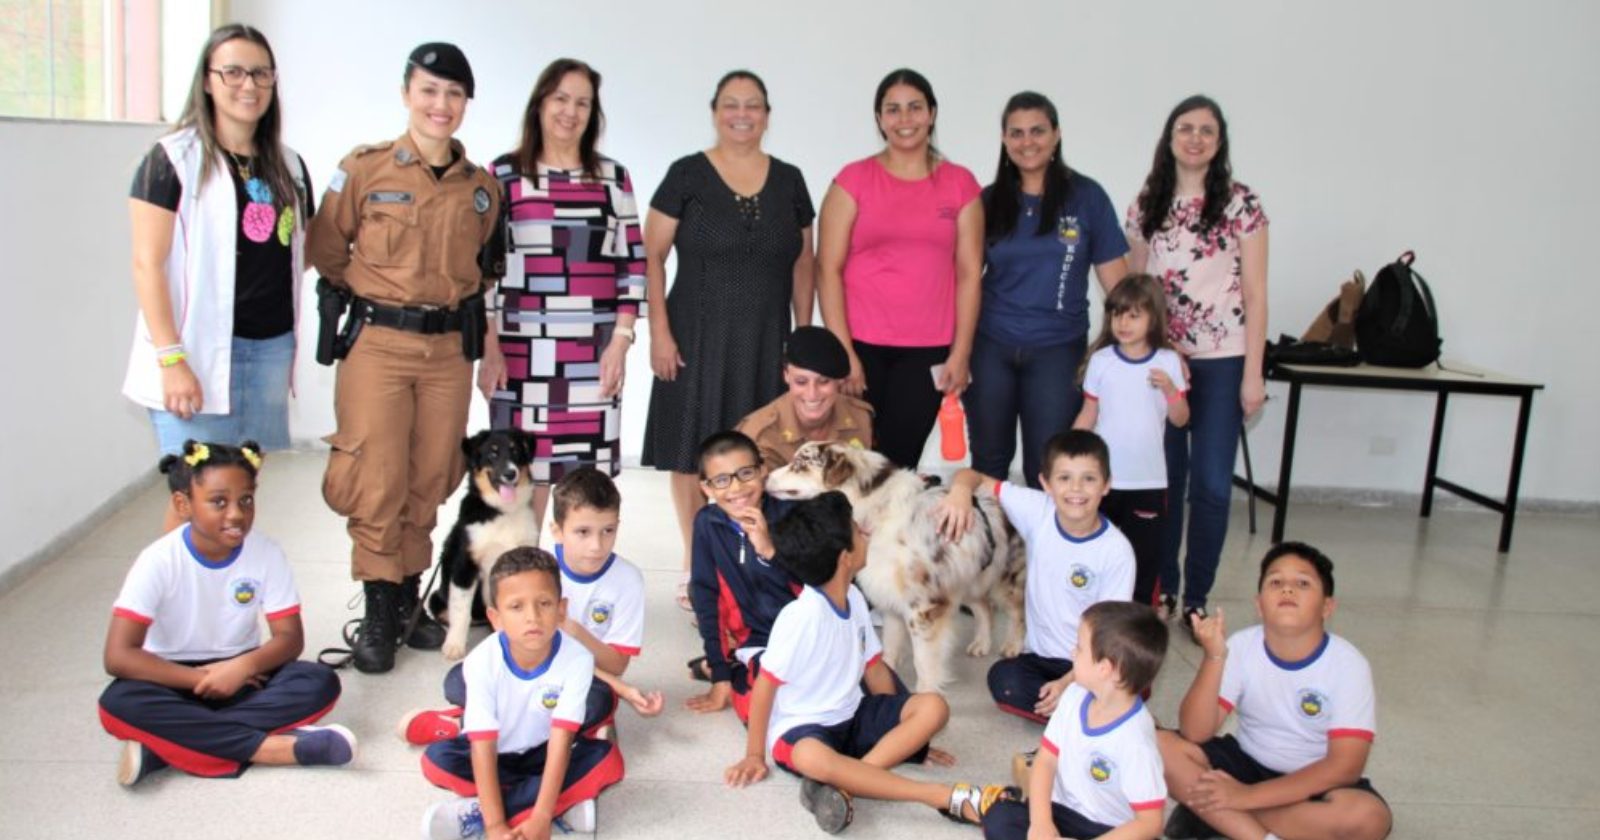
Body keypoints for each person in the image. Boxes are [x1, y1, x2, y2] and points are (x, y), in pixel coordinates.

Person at [309, 43, 501, 674]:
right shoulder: (363, 170)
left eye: (453, 94)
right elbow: (328, 250)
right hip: (379, 347)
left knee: (430, 473)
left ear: (466, 103)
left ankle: (409, 601)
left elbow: (484, 271)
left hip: (448, 350)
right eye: (429, 90)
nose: (440, 105)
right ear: (406, 93)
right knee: (376, 476)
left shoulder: (482, 190)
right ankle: (378, 609)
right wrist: (378, 297)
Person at [725, 491, 1011, 833]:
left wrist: (908, 737)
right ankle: (937, 795)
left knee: (933, 707)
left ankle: (845, 783)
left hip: (853, 714)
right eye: (858, 531)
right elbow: (765, 687)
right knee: (812, 758)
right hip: (804, 729)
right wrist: (755, 754)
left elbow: (873, 669)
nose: (867, 533)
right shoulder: (801, 616)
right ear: (846, 558)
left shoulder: (855, 598)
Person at [123, 24, 314, 531]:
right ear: (207, 81)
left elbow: (299, 253)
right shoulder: (171, 161)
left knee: (238, 496)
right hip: (198, 353)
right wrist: (172, 359)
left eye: (260, 73)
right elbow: (148, 264)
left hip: (268, 349)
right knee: (199, 494)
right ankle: (169, 606)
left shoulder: (289, 166)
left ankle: (221, 604)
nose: (248, 84)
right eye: (232, 71)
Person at [641, 70, 817, 610]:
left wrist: (801, 340)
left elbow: (804, 264)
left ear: (768, 114)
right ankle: (700, 566)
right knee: (689, 453)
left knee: (757, 451)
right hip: (694, 335)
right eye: (732, 104)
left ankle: (751, 557)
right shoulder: (686, 174)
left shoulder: (789, 180)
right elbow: (651, 256)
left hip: (766, 338)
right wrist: (659, 333)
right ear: (715, 111)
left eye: (754, 105)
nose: (743, 114)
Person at [98, 440, 353, 786]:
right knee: (118, 701)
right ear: (183, 504)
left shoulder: (266, 553)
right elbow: (118, 655)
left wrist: (242, 667)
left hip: (243, 674)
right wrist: (199, 680)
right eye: (219, 502)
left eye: (245, 500)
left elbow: (290, 639)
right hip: (169, 677)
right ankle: (268, 749)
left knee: (318, 682)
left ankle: (164, 748)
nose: (236, 513)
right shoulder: (157, 560)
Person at [479, 58, 645, 532]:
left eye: (583, 103)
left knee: (581, 481)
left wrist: (621, 340)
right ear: (539, 104)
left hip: (591, 354)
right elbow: (485, 272)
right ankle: (517, 580)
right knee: (518, 475)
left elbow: (632, 264)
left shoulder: (613, 178)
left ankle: (575, 581)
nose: (570, 112)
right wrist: (489, 350)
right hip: (520, 351)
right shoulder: (503, 175)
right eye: (561, 99)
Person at [1124, 94, 1269, 629]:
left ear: (1219, 140)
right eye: (1185, 128)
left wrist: (1253, 372)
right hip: (1162, 363)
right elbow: (1137, 292)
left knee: (1210, 484)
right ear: (1170, 137)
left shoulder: (1241, 205)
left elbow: (1256, 293)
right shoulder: (1146, 205)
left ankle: (1197, 595)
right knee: (1164, 481)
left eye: (1207, 130)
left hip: (1223, 360)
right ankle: (1163, 586)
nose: (1195, 138)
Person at [399, 468, 663, 746]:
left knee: (599, 699)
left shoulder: (628, 580)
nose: (596, 545)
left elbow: (616, 665)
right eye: (582, 532)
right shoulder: (536, 570)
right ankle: (550, 732)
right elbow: (511, 647)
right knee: (457, 681)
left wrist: (574, 632)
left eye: (608, 531)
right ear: (556, 531)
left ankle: (473, 725)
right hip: (525, 669)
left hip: (581, 678)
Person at [1159, 543, 1392, 840]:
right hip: (1247, 763)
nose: (1287, 590)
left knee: (1368, 818)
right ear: (1259, 604)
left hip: (1315, 780)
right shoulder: (1242, 646)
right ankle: (1260, 835)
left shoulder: (1348, 664)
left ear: (1327, 607)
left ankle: (1213, 817)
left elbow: (1345, 767)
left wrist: (1245, 797)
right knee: (1158, 746)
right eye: (1275, 582)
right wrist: (1215, 657)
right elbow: (1195, 732)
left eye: (1303, 583)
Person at [816, 68, 983, 470]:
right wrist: (844, 354)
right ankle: (851, 535)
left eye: (914, 108)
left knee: (898, 462)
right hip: (861, 345)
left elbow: (968, 274)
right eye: (893, 110)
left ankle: (886, 535)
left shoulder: (960, 184)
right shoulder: (852, 180)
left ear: (932, 114)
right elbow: (827, 270)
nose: (904, 119)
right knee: (852, 463)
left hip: (927, 350)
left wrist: (960, 353)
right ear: (879, 119)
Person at [968, 91, 1128, 489]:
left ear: (1056, 134)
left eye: (1038, 130)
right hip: (991, 347)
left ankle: (1044, 552)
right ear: (1004, 139)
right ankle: (995, 549)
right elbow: (964, 279)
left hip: (1058, 350)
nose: (1028, 142)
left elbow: (1122, 290)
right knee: (989, 462)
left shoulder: (1087, 197)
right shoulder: (987, 201)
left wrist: (1128, 354)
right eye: (1016, 133)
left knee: (1051, 462)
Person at [415, 548, 623, 839]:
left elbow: (561, 742)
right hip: (496, 753)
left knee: (609, 763)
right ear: (495, 618)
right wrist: (496, 827)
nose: (533, 617)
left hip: (543, 752)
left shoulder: (577, 659)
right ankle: (550, 807)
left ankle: (483, 810)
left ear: (561, 610)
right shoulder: (482, 661)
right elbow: (483, 747)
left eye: (544, 604)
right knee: (436, 762)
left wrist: (541, 816)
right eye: (516, 607)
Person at [936, 430, 1134, 723]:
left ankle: (1077, 712)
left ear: (1107, 485)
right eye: (1064, 478)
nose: (1076, 489)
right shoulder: (1037, 510)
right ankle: (1087, 716)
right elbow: (971, 475)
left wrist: (1069, 682)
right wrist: (960, 493)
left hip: (1093, 662)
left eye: (1089, 479)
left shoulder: (1117, 551)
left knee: (1124, 674)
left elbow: (1113, 636)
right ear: (1046, 484)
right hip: (1041, 659)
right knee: (1003, 679)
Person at [983, 601, 1170, 840]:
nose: (1072, 653)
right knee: (1000, 817)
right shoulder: (1073, 695)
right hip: (1064, 813)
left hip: (1111, 830)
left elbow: (1149, 823)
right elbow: (1045, 761)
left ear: (1105, 669)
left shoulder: (1136, 742)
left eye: (1079, 648)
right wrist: (1041, 823)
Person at [1073, 274, 1189, 607]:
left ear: (1153, 318)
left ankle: (1137, 627)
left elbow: (1181, 418)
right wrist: (1068, 454)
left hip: (1148, 482)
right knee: (1097, 555)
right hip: (1105, 482)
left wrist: (1170, 390)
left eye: (1134, 315)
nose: (1123, 322)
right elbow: (1089, 413)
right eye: (1117, 313)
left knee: (1144, 562)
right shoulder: (1101, 361)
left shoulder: (1167, 362)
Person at [684, 431, 800, 723]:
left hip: (805, 635)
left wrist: (769, 550)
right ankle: (729, 666)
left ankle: (730, 665)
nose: (736, 487)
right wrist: (720, 677)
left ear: (763, 471)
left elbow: (821, 584)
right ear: (706, 488)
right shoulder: (707, 524)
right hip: (757, 640)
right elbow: (706, 596)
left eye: (745, 473)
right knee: (764, 712)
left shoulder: (792, 515)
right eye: (721, 480)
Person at [736, 326, 874, 470]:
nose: (812, 394)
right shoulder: (758, 435)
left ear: (839, 381)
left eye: (824, 381)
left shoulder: (860, 417)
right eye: (801, 382)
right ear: (786, 375)